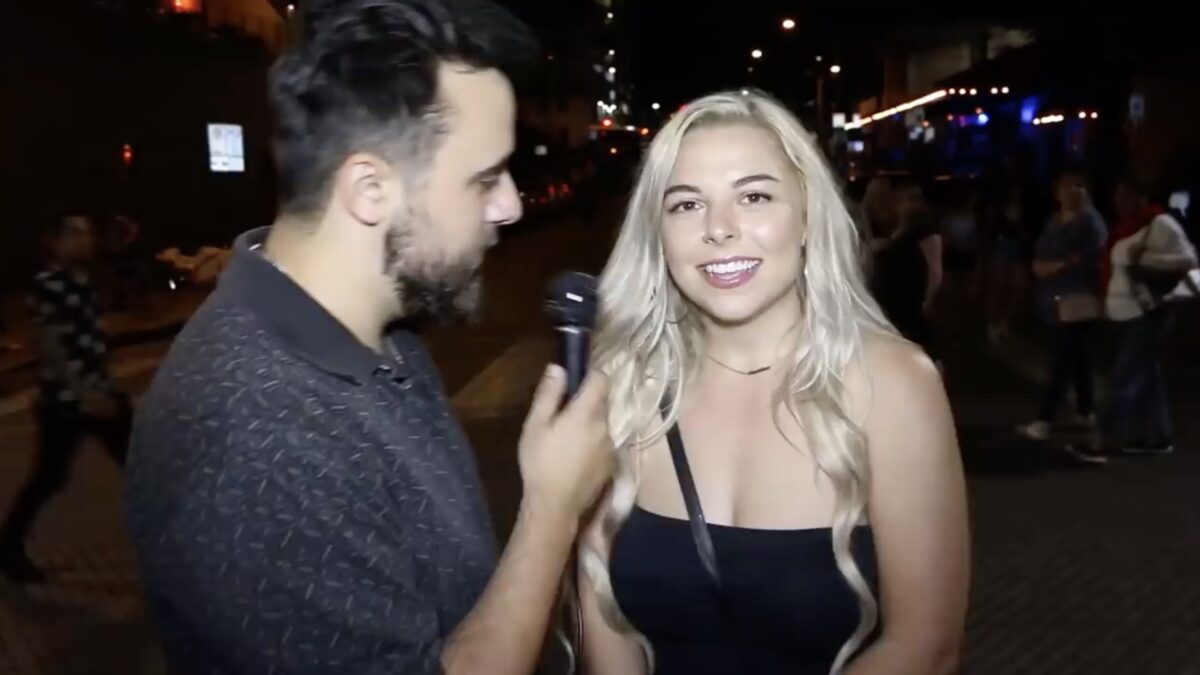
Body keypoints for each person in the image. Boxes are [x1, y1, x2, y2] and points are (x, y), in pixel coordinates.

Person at [123, 2, 614, 674]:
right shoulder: (255, 436)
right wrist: (553, 511)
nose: (511, 205)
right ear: (370, 188)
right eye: (484, 178)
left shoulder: (384, 331)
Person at [578, 91, 970, 675]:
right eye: (686, 204)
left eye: (754, 196)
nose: (719, 229)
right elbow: (605, 631)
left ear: (808, 215)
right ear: (656, 233)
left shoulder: (892, 386)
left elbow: (926, 646)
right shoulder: (622, 388)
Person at [0, 212, 132, 583]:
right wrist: (84, 393)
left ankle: (172, 541)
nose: (84, 240)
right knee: (49, 477)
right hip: (67, 402)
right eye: (73, 234)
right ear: (53, 242)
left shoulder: (85, 280)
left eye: (87, 233)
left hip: (100, 392)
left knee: (139, 464)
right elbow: (50, 346)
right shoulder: (49, 285)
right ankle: (8, 546)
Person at [1094, 176, 1197, 455]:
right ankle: (1157, 436)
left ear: (1142, 197)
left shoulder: (1159, 223)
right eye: (1117, 195)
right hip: (1125, 312)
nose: (1119, 201)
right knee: (1148, 377)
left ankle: (1104, 438)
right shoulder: (1124, 228)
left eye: (1126, 194)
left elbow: (1189, 260)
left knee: (1124, 378)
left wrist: (1144, 259)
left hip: (1145, 311)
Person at [1017, 171, 1105, 459]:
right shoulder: (1054, 221)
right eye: (1066, 187)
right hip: (1053, 297)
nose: (1072, 192)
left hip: (1077, 296)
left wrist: (1056, 267)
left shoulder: (1089, 222)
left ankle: (1045, 418)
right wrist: (1042, 266)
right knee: (1078, 356)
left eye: (1078, 186)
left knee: (1062, 358)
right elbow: (1041, 251)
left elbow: (1088, 258)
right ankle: (1086, 410)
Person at [869, 177, 944, 359]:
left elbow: (935, 270)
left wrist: (927, 299)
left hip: (909, 301)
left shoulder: (923, 231)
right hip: (894, 301)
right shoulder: (894, 229)